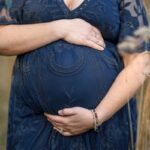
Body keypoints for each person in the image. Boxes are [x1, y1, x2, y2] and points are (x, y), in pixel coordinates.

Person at [0, 0, 149, 149]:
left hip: (105, 123)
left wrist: (97, 116)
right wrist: (61, 28)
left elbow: (140, 60)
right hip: (34, 122)